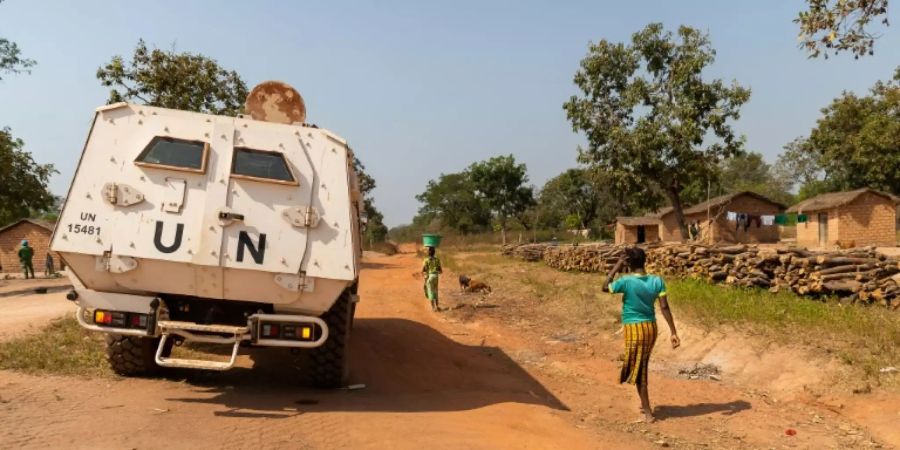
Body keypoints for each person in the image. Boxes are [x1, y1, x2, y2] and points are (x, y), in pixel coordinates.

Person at [604, 247, 679, 423]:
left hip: (634, 329)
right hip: (650, 328)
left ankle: (647, 411)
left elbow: (604, 287)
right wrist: (673, 332)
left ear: (628, 263)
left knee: (640, 369)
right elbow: (665, 307)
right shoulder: (657, 281)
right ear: (644, 261)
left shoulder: (626, 282)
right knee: (641, 364)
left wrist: (616, 266)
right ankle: (645, 406)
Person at [422, 246, 442, 312]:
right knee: (436, 291)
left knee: (430, 292)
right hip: (436, 276)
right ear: (434, 252)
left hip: (430, 276)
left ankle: (433, 308)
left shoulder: (426, 260)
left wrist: (424, 275)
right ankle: (437, 306)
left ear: (428, 253)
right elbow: (440, 271)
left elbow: (424, 270)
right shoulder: (437, 259)